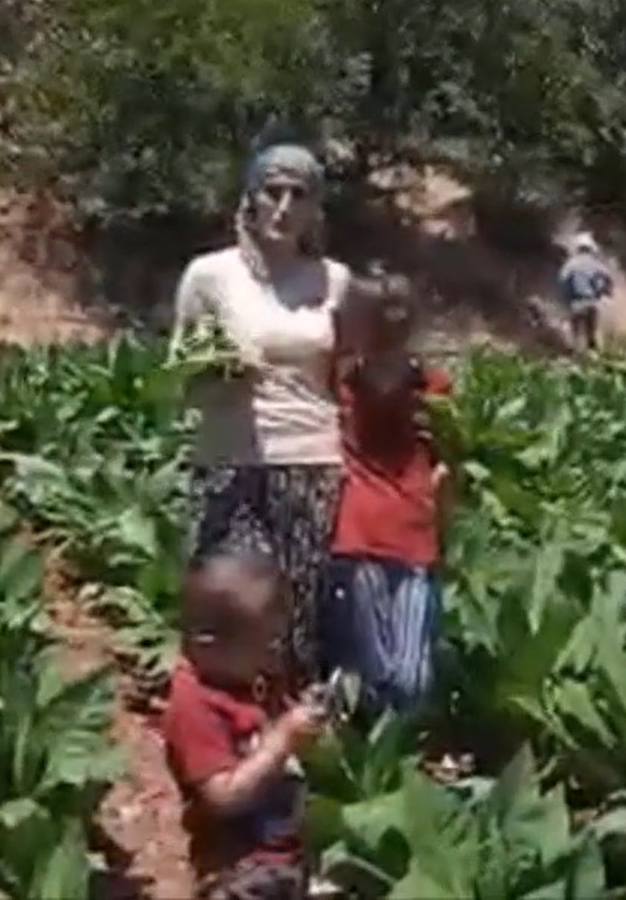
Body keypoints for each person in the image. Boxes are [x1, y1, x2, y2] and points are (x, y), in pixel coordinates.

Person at [172, 140, 352, 693]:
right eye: (273, 191)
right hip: (230, 457)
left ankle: (290, 720)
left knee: (298, 606)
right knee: (226, 604)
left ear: (316, 208)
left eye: (300, 194)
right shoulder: (210, 276)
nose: (284, 206)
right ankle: (218, 724)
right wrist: (223, 369)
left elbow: (346, 379)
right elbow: (182, 370)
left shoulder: (335, 281)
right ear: (251, 197)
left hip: (311, 458)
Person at [323, 270, 453, 719]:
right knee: (383, 670)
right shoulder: (345, 384)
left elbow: (445, 465)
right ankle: (366, 734)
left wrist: (442, 527)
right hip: (363, 537)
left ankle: (374, 736)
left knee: (405, 677)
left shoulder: (430, 387)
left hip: (405, 537)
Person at [163, 551, 328, 900]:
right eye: (266, 644)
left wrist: (307, 718)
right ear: (209, 645)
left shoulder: (252, 678)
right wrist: (283, 739)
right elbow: (223, 797)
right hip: (237, 870)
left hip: (285, 857)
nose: (276, 653)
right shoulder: (194, 704)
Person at [556, 231, 616, 353]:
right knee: (591, 336)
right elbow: (608, 278)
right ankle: (594, 356)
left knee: (575, 336)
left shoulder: (571, 264)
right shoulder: (596, 263)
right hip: (592, 303)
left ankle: (576, 356)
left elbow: (563, 280)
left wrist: (564, 299)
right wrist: (606, 292)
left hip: (576, 304)